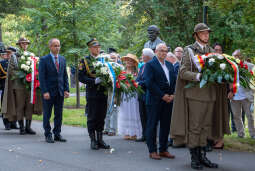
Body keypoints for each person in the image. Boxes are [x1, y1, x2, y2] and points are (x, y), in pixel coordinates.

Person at [171, 23, 220, 170]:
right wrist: (198, 76)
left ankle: (203, 156)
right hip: (195, 95)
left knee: (206, 127)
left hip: (210, 94)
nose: (206, 35)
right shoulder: (189, 50)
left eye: (207, 33)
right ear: (196, 35)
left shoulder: (211, 51)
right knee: (195, 127)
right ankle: (194, 157)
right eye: (203, 33)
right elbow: (183, 72)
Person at [2, 38, 42, 135]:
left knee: (29, 105)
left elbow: (36, 68)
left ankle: (28, 127)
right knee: (20, 106)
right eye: (22, 43)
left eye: (26, 43)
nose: (24, 44)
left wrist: (33, 74)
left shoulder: (31, 55)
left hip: (30, 85)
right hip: (18, 85)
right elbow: (11, 71)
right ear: (19, 44)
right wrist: (23, 74)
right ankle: (21, 127)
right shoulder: (14, 56)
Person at [143, 43, 176, 160]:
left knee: (166, 125)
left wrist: (172, 95)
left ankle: (163, 149)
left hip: (168, 100)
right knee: (152, 125)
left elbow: (174, 81)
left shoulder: (170, 64)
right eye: (161, 50)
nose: (164, 53)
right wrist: (162, 95)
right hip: (154, 100)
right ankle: (152, 150)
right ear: (156, 51)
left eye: (166, 51)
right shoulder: (150, 65)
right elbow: (149, 83)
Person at [78, 38, 110, 150]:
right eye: (95, 47)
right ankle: (93, 140)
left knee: (101, 116)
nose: (97, 49)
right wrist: (93, 81)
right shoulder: (84, 61)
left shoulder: (104, 60)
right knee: (92, 117)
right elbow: (81, 77)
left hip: (103, 93)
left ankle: (100, 140)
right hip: (92, 93)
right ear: (90, 48)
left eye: (98, 47)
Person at [39, 38, 69, 143]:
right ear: (50, 47)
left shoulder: (62, 59)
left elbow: (65, 75)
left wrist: (66, 89)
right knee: (47, 114)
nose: (57, 48)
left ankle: (57, 134)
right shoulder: (44, 60)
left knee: (58, 114)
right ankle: (48, 134)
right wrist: (45, 91)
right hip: (49, 93)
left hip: (60, 91)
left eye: (58, 45)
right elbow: (42, 78)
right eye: (55, 46)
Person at [118, 53, 142, 140]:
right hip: (124, 94)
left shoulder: (137, 72)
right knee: (125, 112)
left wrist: (133, 84)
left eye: (131, 60)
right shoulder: (122, 72)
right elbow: (118, 83)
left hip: (133, 94)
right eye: (127, 60)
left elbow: (138, 82)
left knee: (134, 111)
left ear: (134, 63)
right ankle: (127, 132)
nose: (128, 62)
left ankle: (135, 132)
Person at [135, 48, 154, 142]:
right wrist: (135, 82)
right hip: (141, 95)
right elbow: (138, 78)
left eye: (142, 54)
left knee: (148, 116)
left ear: (147, 56)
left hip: (148, 94)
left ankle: (149, 136)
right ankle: (144, 135)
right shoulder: (142, 66)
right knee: (142, 116)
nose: (141, 56)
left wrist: (139, 84)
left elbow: (149, 80)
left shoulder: (152, 65)